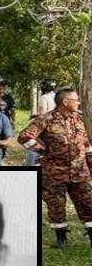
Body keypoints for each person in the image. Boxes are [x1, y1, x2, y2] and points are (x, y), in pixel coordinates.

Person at [17, 87, 92, 248]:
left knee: (88, 203)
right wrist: (43, 150)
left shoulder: (77, 119)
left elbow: (86, 145)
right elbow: (24, 136)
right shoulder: (47, 119)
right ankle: (61, 238)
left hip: (80, 172)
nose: (78, 102)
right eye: (75, 99)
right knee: (56, 206)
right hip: (55, 173)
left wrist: (90, 165)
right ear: (65, 101)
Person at [26, 79, 58, 166]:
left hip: (46, 127)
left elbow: (43, 115)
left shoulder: (44, 98)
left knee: (31, 145)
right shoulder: (57, 97)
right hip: (57, 127)